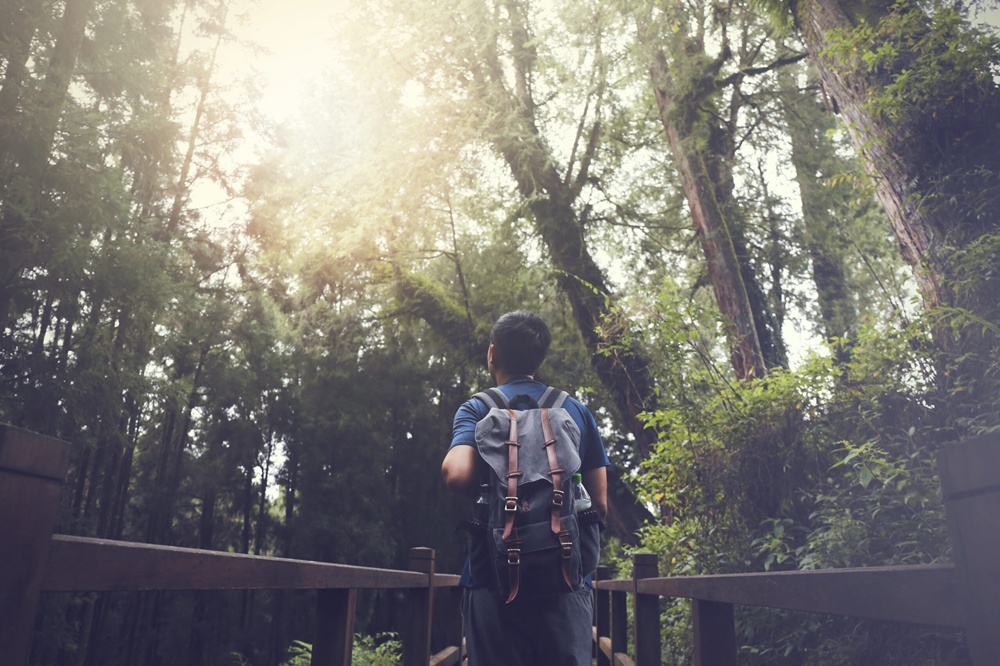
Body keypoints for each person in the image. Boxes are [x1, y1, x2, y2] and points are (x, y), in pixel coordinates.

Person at [441, 310, 609, 666]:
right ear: (541, 358)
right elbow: (600, 505)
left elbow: (456, 475)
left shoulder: (477, 408)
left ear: (492, 353)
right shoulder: (574, 410)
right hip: (566, 579)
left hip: (492, 578)